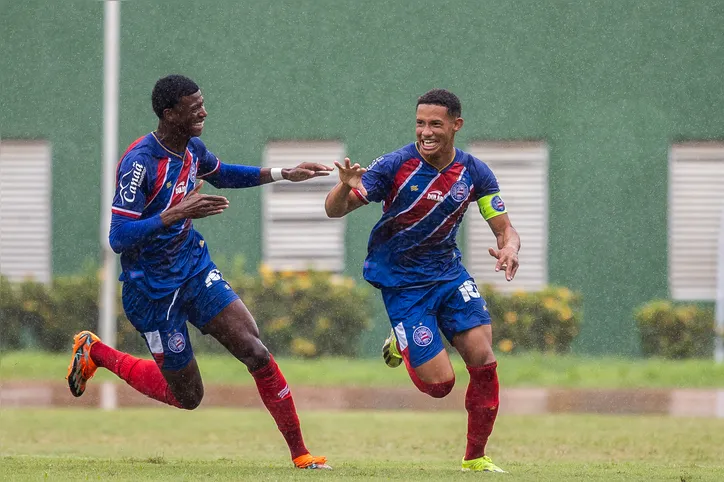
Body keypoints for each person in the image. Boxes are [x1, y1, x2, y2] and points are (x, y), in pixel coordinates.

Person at [66, 74, 332, 470]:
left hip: (193, 269)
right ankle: (97, 352)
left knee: (254, 350)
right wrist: (175, 213)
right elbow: (118, 237)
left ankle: (301, 454)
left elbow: (221, 172)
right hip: (151, 291)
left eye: (202, 104)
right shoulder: (140, 164)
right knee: (188, 397)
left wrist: (283, 174)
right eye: (194, 108)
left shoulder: (192, 148)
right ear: (170, 114)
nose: (204, 112)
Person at [324, 89, 520, 473]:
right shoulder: (394, 165)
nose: (425, 132)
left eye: (434, 124)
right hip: (403, 284)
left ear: (455, 126)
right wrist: (344, 185)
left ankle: (475, 458)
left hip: (449, 274)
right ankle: (402, 340)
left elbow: (504, 228)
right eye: (419, 124)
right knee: (440, 385)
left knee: (484, 360)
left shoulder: (474, 173)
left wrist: (510, 248)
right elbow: (335, 210)